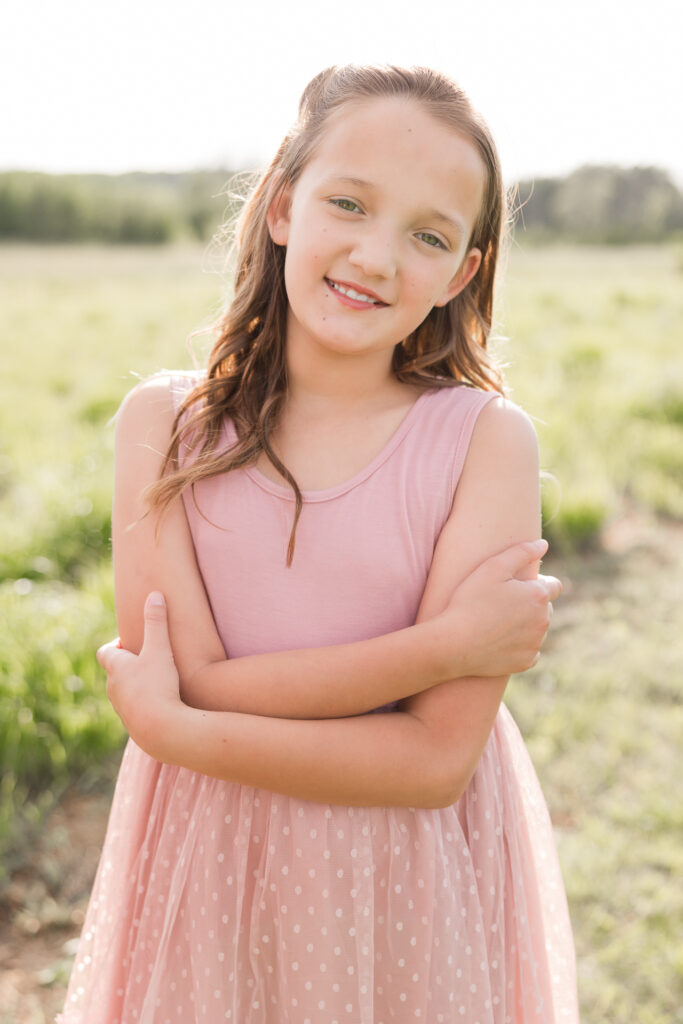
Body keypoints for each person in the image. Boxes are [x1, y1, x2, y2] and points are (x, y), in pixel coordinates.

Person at [59, 65, 578, 1023]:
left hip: (404, 883)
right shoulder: (163, 428)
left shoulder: (484, 442)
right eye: (349, 203)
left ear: (462, 271)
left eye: (427, 235)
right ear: (282, 203)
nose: (377, 257)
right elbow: (182, 682)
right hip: (203, 862)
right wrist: (443, 650)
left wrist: (186, 727)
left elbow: (432, 764)